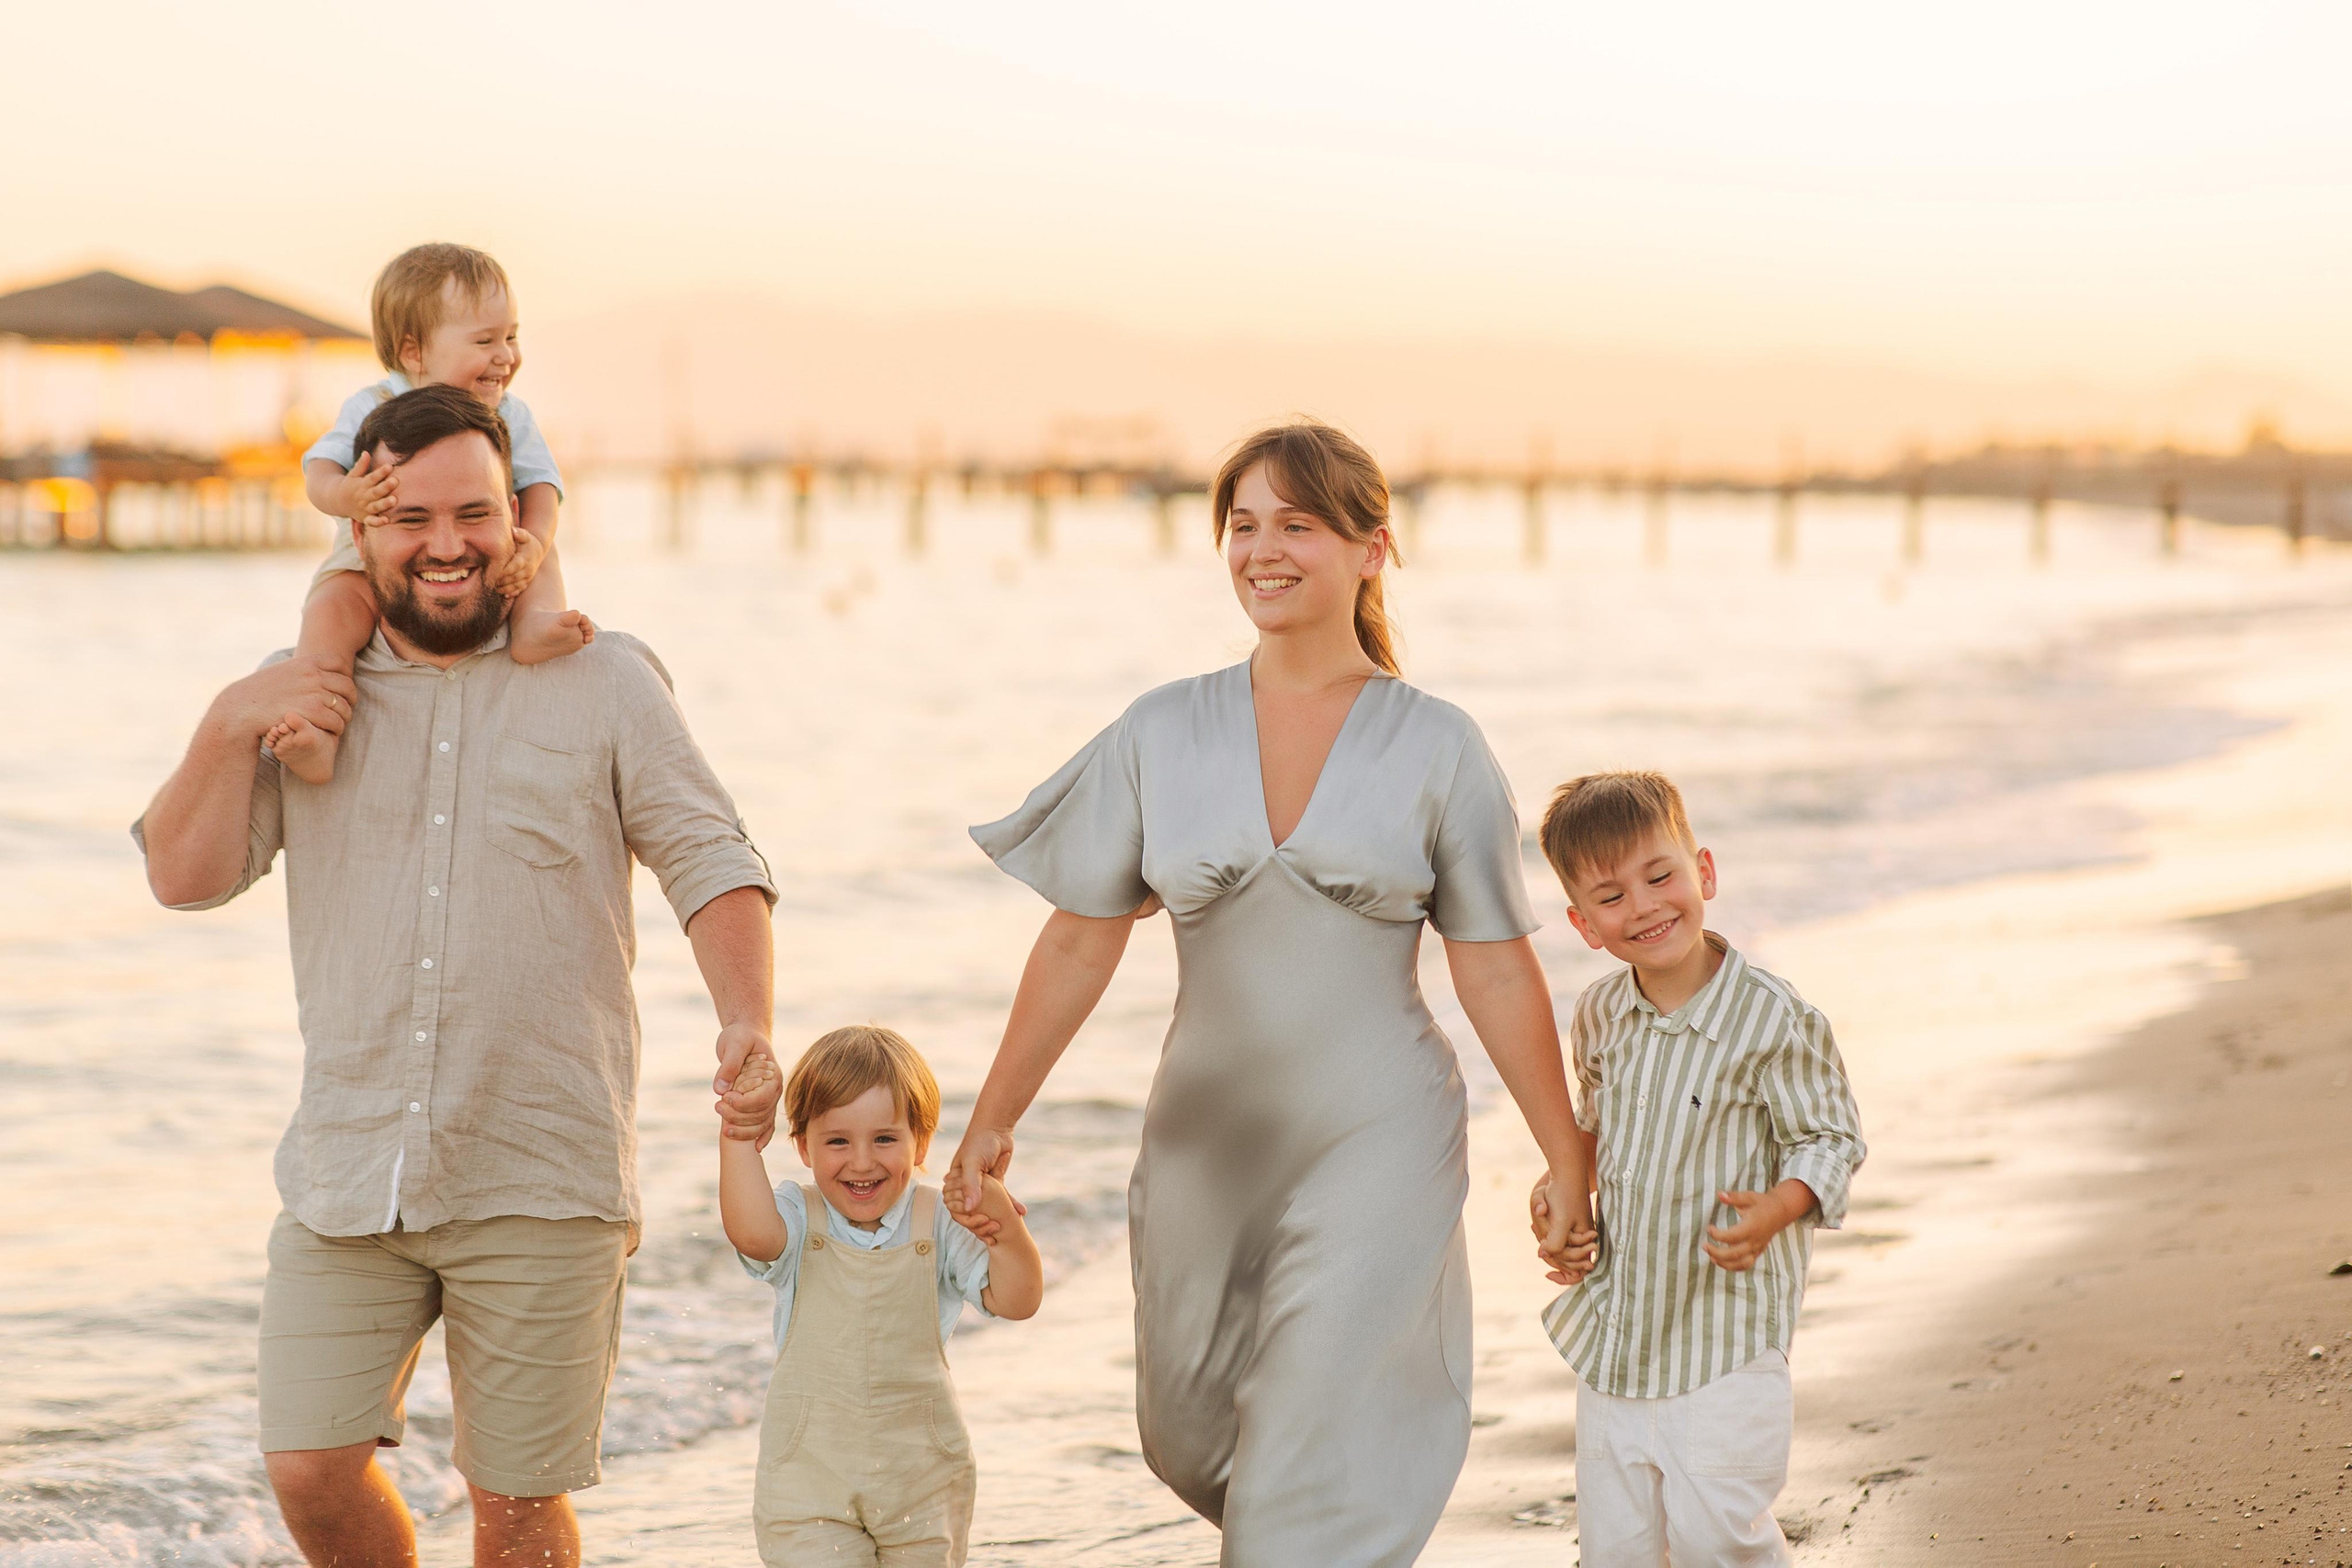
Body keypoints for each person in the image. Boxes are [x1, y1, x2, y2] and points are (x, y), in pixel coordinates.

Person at [133, 384, 782, 1568]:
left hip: (543, 1162)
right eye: (411, 516)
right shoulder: (299, 696)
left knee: (519, 1506)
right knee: (310, 1470)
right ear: (360, 529)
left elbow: (709, 854)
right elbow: (182, 878)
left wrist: (747, 1020)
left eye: (475, 513)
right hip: (348, 1171)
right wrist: (229, 718)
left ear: (519, 521)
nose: (446, 545)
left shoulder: (606, 678)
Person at [947, 420, 1596, 1565]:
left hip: (1378, 1136)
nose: (1263, 550)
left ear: (1371, 549)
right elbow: (1075, 945)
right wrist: (994, 1116)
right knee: (1187, 1438)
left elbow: (1492, 964)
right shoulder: (1160, 730)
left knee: (1299, 1474)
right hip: (1205, 1147)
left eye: (1297, 523)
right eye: (1242, 525)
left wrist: (1563, 1153)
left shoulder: (1436, 745)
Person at [1530, 771, 1866, 1566]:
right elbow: (1591, 1137)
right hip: (1622, 1331)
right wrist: (1559, 1203)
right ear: (1583, 924)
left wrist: (1779, 1208)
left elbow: (1830, 1136)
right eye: (1612, 897)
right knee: (1617, 1547)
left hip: (1726, 1334)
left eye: (1660, 876)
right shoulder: (1602, 1014)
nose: (1644, 907)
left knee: (1719, 1530)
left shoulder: (1772, 1017)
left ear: (1703, 872)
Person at [719, 1026, 1043, 1566]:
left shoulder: (939, 1218)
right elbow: (752, 1234)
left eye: (885, 1139)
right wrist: (737, 1137)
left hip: (922, 1478)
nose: (863, 1162)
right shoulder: (797, 1215)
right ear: (802, 1146)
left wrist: (1007, 1233)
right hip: (809, 1478)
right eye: (838, 1141)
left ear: (922, 1141)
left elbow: (1016, 1301)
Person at [272, 241, 591, 785]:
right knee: (328, 618)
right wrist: (345, 496)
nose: (506, 356)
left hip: (488, 551)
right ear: (414, 352)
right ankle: (317, 734)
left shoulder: (509, 414)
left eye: (511, 336)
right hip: (365, 554)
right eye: (485, 340)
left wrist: (533, 540)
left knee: (542, 551)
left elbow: (541, 484)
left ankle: (533, 625)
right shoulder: (373, 404)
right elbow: (319, 468)